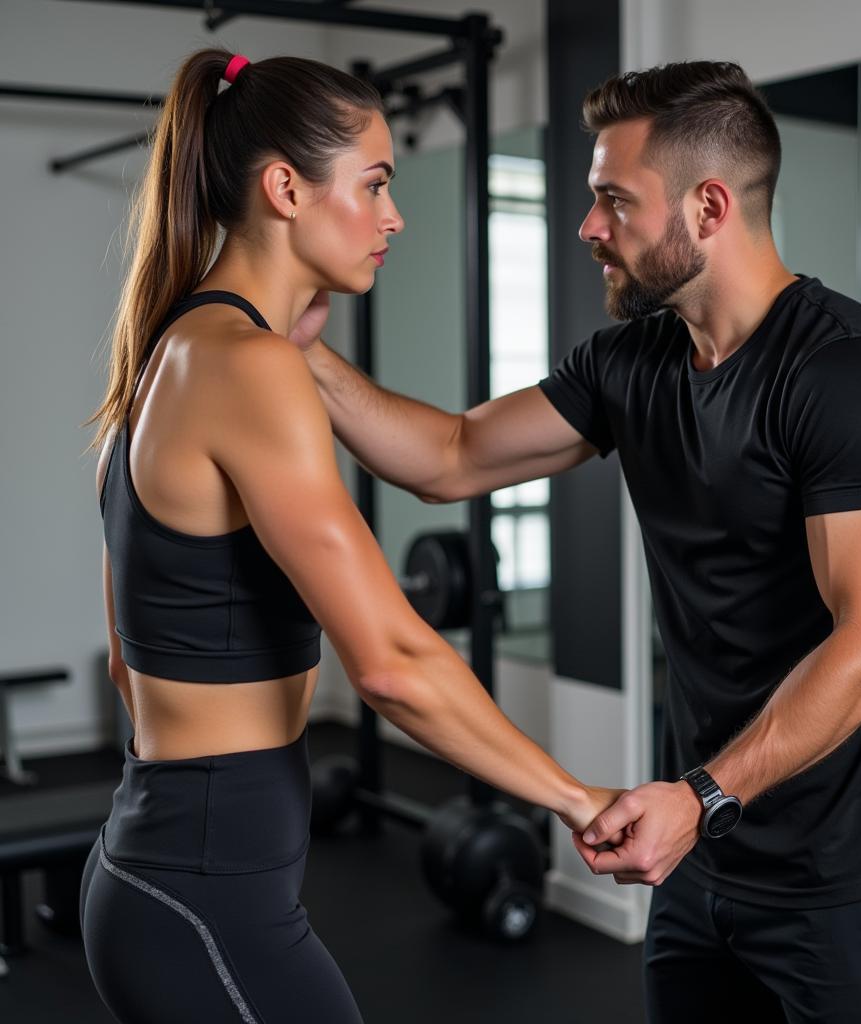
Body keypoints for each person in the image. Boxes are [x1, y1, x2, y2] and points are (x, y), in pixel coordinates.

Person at [292, 61, 861, 1023]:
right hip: (704, 871)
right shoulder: (631, 361)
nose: (588, 227)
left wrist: (702, 795)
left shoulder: (847, 373)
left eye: (614, 200)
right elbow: (450, 453)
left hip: (847, 878)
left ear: (710, 206)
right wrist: (299, 346)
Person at [79, 49, 620, 1024]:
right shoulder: (245, 367)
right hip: (208, 894)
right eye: (372, 183)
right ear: (285, 187)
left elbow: (129, 664)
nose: (392, 215)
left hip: (157, 866)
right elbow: (394, 663)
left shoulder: (175, 349)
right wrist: (579, 799)